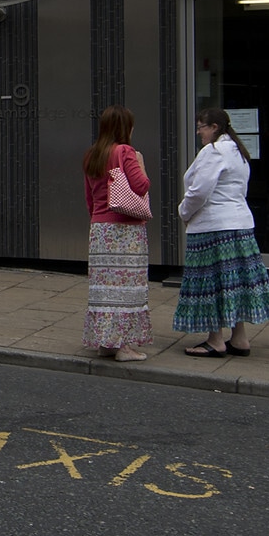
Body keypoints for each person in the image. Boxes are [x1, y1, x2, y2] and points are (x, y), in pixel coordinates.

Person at [173, 105, 269, 355]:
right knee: (234, 283)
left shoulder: (214, 151)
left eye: (201, 127)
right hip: (240, 225)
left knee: (212, 282)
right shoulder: (237, 151)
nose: (199, 133)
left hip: (214, 226)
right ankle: (240, 338)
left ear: (214, 127)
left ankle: (215, 340)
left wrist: (184, 212)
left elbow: (199, 191)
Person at [81, 104, 154, 361]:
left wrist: (98, 220)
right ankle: (124, 347)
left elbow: (90, 198)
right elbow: (141, 185)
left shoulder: (92, 155)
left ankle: (106, 343)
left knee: (105, 288)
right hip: (125, 230)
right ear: (125, 128)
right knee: (127, 287)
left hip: (100, 230)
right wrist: (140, 162)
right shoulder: (125, 151)